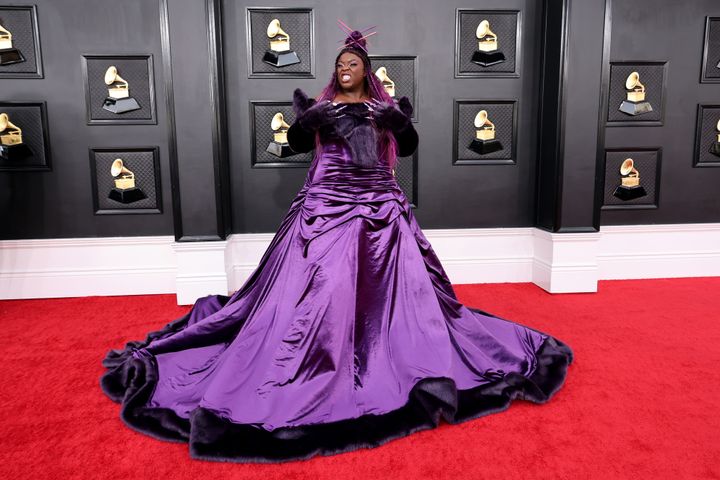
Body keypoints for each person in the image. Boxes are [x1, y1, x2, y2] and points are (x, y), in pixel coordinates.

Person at [101, 26, 573, 464]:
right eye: (340, 64)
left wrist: (397, 120)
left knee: (393, 294)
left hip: (381, 207)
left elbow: (405, 147)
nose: (344, 68)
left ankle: (386, 354)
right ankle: (319, 363)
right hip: (325, 208)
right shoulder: (324, 109)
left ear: (366, 70)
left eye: (352, 63)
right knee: (319, 292)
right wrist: (305, 119)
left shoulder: (383, 110)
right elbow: (296, 139)